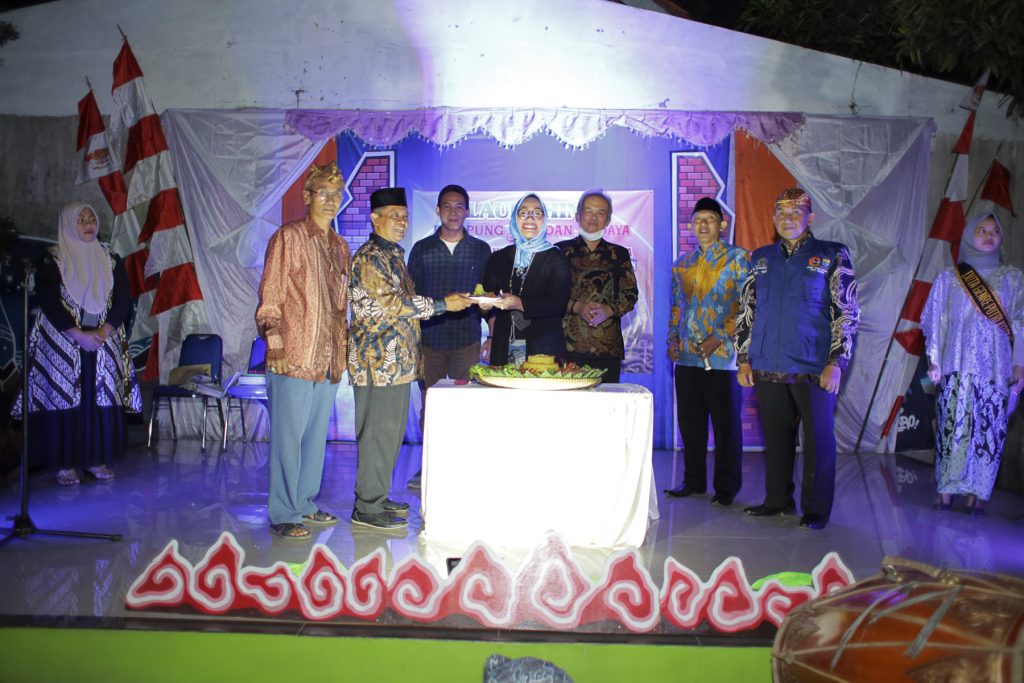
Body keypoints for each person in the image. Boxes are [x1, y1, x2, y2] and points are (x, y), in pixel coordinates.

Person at [735, 188, 859, 530]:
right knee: (776, 438)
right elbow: (747, 310)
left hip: (814, 365)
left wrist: (837, 361)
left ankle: (816, 509)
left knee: (818, 440)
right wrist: (744, 358)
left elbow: (846, 312)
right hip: (767, 364)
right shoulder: (760, 258)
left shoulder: (832, 254)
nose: (787, 219)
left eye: (795, 213)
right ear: (773, 218)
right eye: (781, 213)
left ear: (810, 218)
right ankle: (777, 501)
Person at [348, 187, 471, 530]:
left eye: (405, 217)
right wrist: (443, 304)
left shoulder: (393, 255)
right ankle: (366, 507)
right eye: (394, 216)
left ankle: (377, 496)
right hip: (377, 362)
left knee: (389, 434)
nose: (402, 222)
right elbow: (390, 305)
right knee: (376, 434)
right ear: (375, 219)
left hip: (397, 363)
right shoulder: (371, 257)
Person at [12, 202, 141, 485]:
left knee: (97, 400)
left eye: (91, 218)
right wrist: (78, 334)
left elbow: (122, 299)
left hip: (102, 342)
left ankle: (95, 458)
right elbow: (49, 301)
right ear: (69, 224)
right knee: (63, 398)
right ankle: (64, 463)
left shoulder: (111, 259)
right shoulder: (53, 260)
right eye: (80, 219)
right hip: (63, 341)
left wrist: (104, 331)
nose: (87, 224)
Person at [256, 161, 350, 541]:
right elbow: (270, 297)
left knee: (314, 439)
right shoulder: (288, 237)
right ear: (307, 196)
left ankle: (305, 502)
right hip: (293, 355)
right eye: (323, 193)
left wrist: (341, 353)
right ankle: (283, 512)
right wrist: (275, 344)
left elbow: (340, 308)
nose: (330, 200)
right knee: (288, 439)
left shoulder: (340, 247)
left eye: (336, 194)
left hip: (327, 359)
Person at [921, 212, 1024, 515]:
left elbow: (1021, 324)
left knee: (988, 430)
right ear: (969, 235)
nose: (988, 235)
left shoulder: (1014, 278)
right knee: (953, 428)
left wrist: (1019, 363)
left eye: (994, 231)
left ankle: (977, 493)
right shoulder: (949, 277)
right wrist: (934, 360)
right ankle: (946, 490)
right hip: (957, 365)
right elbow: (936, 321)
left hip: (996, 369)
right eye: (981, 230)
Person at [405, 184, 491, 489]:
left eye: (459, 207)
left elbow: (486, 297)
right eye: (447, 206)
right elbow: (410, 297)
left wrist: (492, 335)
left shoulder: (481, 250)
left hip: (467, 340)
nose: (453, 212)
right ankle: (429, 466)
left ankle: (461, 467)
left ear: (467, 212)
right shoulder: (422, 249)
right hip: (429, 341)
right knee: (431, 406)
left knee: (464, 406)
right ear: (438, 210)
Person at [665, 197, 749, 506]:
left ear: (722, 225)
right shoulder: (682, 264)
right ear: (691, 226)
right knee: (691, 425)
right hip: (687, 356)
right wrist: (672, 340)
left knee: (726, 426)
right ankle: (693, 481)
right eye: (698, 219)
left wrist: (720, 336)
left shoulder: (738, 259)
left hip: (723, 358)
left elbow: (746, 305)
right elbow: (677, 307)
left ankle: (726, 488)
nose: (703, 225)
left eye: (710, 219)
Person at [557, 189, 638, 383]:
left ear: (608, 220)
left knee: (607, 400)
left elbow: (630, 294)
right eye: (588, 211)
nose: (594, 217)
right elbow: (551, 295)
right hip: (568, 347)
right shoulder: (560, 251)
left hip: (607, 349)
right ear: (577, 216)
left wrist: (609, 310)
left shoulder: (619, 254)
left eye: (600, 213)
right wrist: (577, 306)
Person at [480, 193, 571, 366]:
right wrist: (484, 306)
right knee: (505, 384)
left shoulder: (556, 257)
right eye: (523, 213)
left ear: (544, 219)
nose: (530, 218)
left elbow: (558, 303)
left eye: (537, 213)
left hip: (543, 344)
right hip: (504, 341)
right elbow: (487, 298)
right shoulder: (499, 257)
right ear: (515, 218)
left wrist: (519, 303)